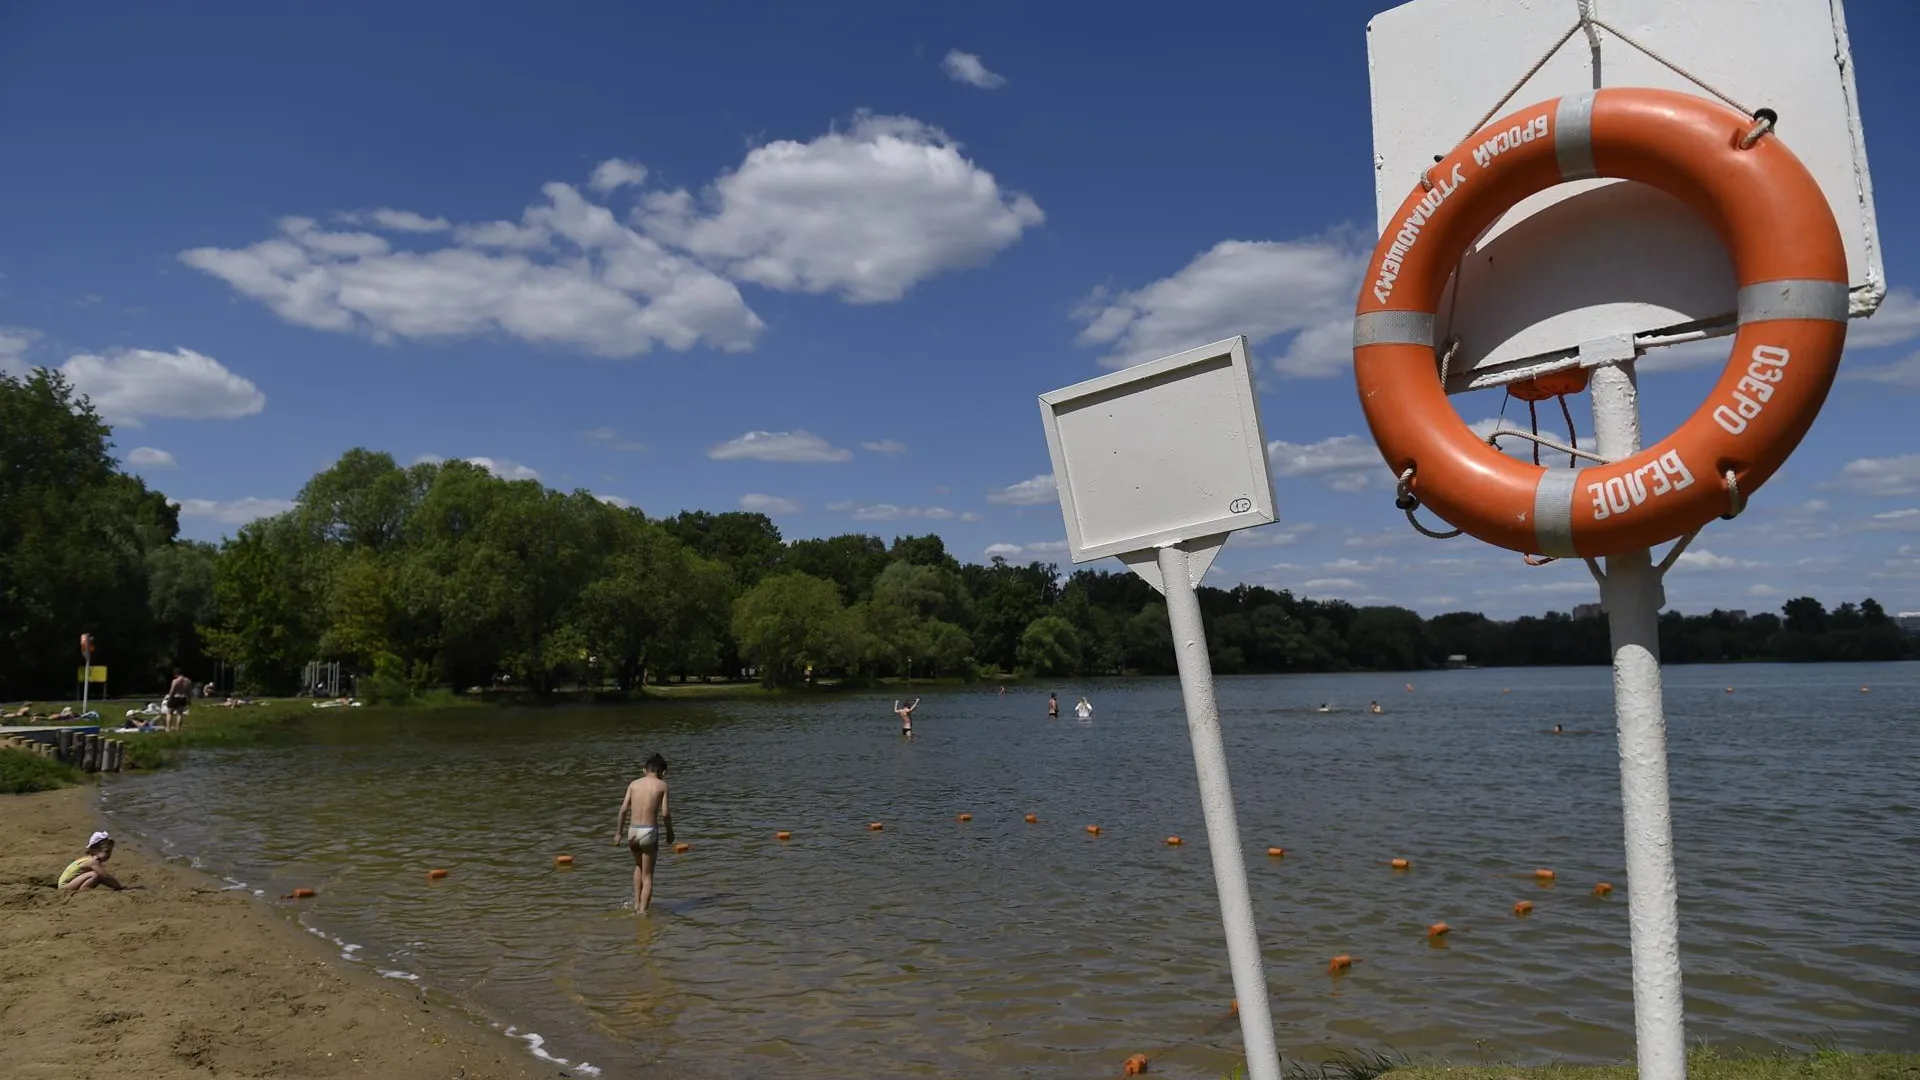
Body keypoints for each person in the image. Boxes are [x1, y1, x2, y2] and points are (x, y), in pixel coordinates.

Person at [616, 754, 671, 914]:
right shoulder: (662, 785)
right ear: (663, 772)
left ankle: (636, 904)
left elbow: (623, 809)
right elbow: (665, 814)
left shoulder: (633, 784)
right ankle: (642, 913)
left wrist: (618, 833)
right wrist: (670, 831)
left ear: (644, 769)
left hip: (632, 831)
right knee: (648, 876)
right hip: (648, 831)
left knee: (638, 867)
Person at [59, 831, 126, 893]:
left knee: (97, 875)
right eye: (106, 851)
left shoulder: (90, 860)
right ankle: (82, 892)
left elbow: (104, 879)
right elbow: (105, 876)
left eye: (110, 851)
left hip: (70, 883)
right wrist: (119, 886)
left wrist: (115, 886)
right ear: (94, 850)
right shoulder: (92, 861)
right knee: (95, 874)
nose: (109, 854)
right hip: (65, 886)